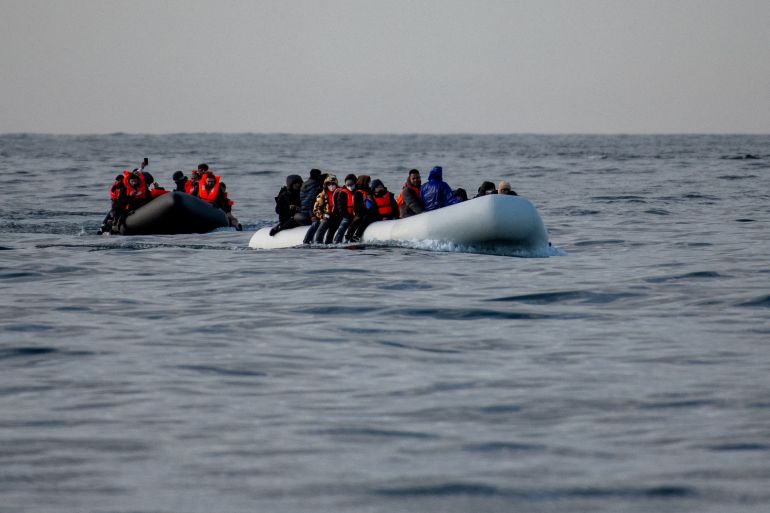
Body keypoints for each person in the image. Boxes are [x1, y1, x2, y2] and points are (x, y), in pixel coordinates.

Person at [309, 174, 339, 244]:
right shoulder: (322, 195)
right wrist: (322, 216)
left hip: (337, 218)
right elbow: (316, 209)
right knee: (319, 233)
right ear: (326, 185)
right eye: (329, 184)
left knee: (330, 235)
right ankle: (318, 244)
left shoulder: (340, 193)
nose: (331, 186)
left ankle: (330, 244)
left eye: (333, 184)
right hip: (326, 217)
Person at [345, 175, 373, 242]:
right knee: (361, 219)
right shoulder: (358, 192)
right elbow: (357, 206)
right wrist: (363, 212)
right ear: (364, 182)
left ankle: (353, 235)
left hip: (367, 212)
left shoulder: (368, 191)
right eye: (368, 182)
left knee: (366, 218)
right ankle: (355, 235)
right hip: (360, 212)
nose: (369, 183)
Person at [332, 173, 357, 243]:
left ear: (355, 183)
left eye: (351, 183)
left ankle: (353, 238)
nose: (349, 185)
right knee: (343, 226)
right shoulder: (342, 193)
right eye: (347, 183)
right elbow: (340, 207)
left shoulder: (358, 192)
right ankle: (337, 241)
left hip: (356, 215)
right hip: (347, 215)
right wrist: (346, 215)